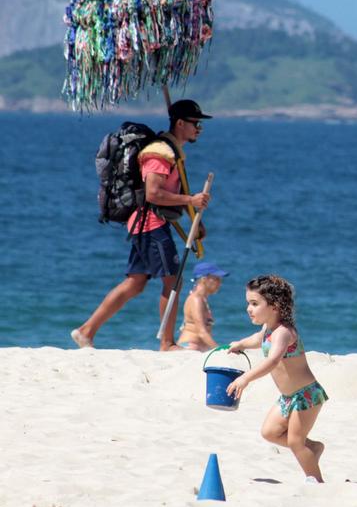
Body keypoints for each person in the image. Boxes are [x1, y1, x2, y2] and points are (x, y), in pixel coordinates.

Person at [71, 99, 212, 350]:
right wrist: (191, 200)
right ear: (180, 123)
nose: (199, 128)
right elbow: (153, 194)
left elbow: (172, 192)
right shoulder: (159, 153)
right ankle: (167, 343)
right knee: (172, 281)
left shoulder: (172, 150)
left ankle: (85, 331)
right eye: (195, 123)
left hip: (149, 223)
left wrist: (193, 219)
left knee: (135, 283)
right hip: (151, 224)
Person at [227, 275, 328, 483]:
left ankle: (315, 481)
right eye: (248, 303)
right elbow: (258, 339)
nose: (249, 309)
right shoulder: (268, 330)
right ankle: (314, 448)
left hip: (306, 395)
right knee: (270, 432)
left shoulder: (284, 332)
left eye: (254, 304)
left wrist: (246, 378)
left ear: (274, 306)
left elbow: (273, 361)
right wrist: (241, 344)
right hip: (288, 397)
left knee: (295, 441)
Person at [177, 261, 229, 351]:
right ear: (204, 279)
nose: (220, 283)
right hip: (190, 346)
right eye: (216, 279)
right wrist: (220, 350)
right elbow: (201, 332)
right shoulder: (196, 299)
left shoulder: (201, 299)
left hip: (197, 347)